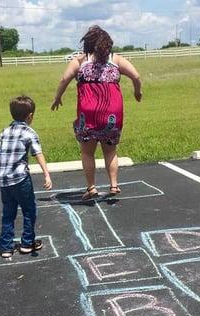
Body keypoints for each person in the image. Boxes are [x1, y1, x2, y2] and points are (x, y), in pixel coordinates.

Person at [51, 25, 142, 200]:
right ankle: (114, 185)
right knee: (110, 151)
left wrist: (57, 97)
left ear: (87, 43)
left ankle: (91, 187)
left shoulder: (80, 61)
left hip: (88, 112)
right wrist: (137, 92)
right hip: (112, 112)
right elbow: (136, 77)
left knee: (87, 152)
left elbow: (64, 79)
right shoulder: (115, 59)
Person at [0, 95, 52, 258]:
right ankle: (27, 243)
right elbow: (37, 153)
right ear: (30, 116)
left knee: (8, 212)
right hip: (20, 179)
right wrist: (46, 174)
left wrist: (3, 168)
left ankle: (6, 247)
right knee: (29, 209)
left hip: (4, 180)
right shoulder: (29, 132)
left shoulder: (4, 132)